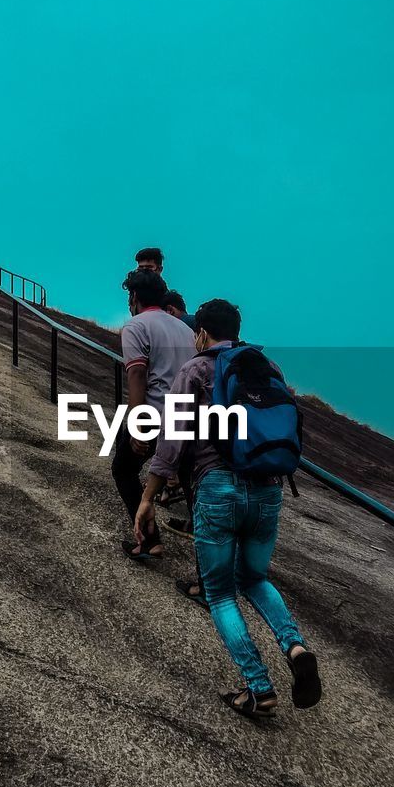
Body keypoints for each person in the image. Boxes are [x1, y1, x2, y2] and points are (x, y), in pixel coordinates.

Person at [134, 298, 322, 718]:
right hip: (268, 489)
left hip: (217, 486)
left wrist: (149, 498)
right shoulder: (267, 369)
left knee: (220, 594)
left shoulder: (196, 369)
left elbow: (172, 441)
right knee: (254, 577)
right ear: (236, 330)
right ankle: (294, 647)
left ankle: (259, 687)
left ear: (200, 332)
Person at [115, 268, 195, 560]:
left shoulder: (137, 326)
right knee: (189, 480)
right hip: (188, 416)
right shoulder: (186, 330)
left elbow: (137, 375)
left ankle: (148, 540)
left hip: (156, 413)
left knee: (123, 470)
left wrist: (137, 425)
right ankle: (209, 567)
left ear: (134, 296)